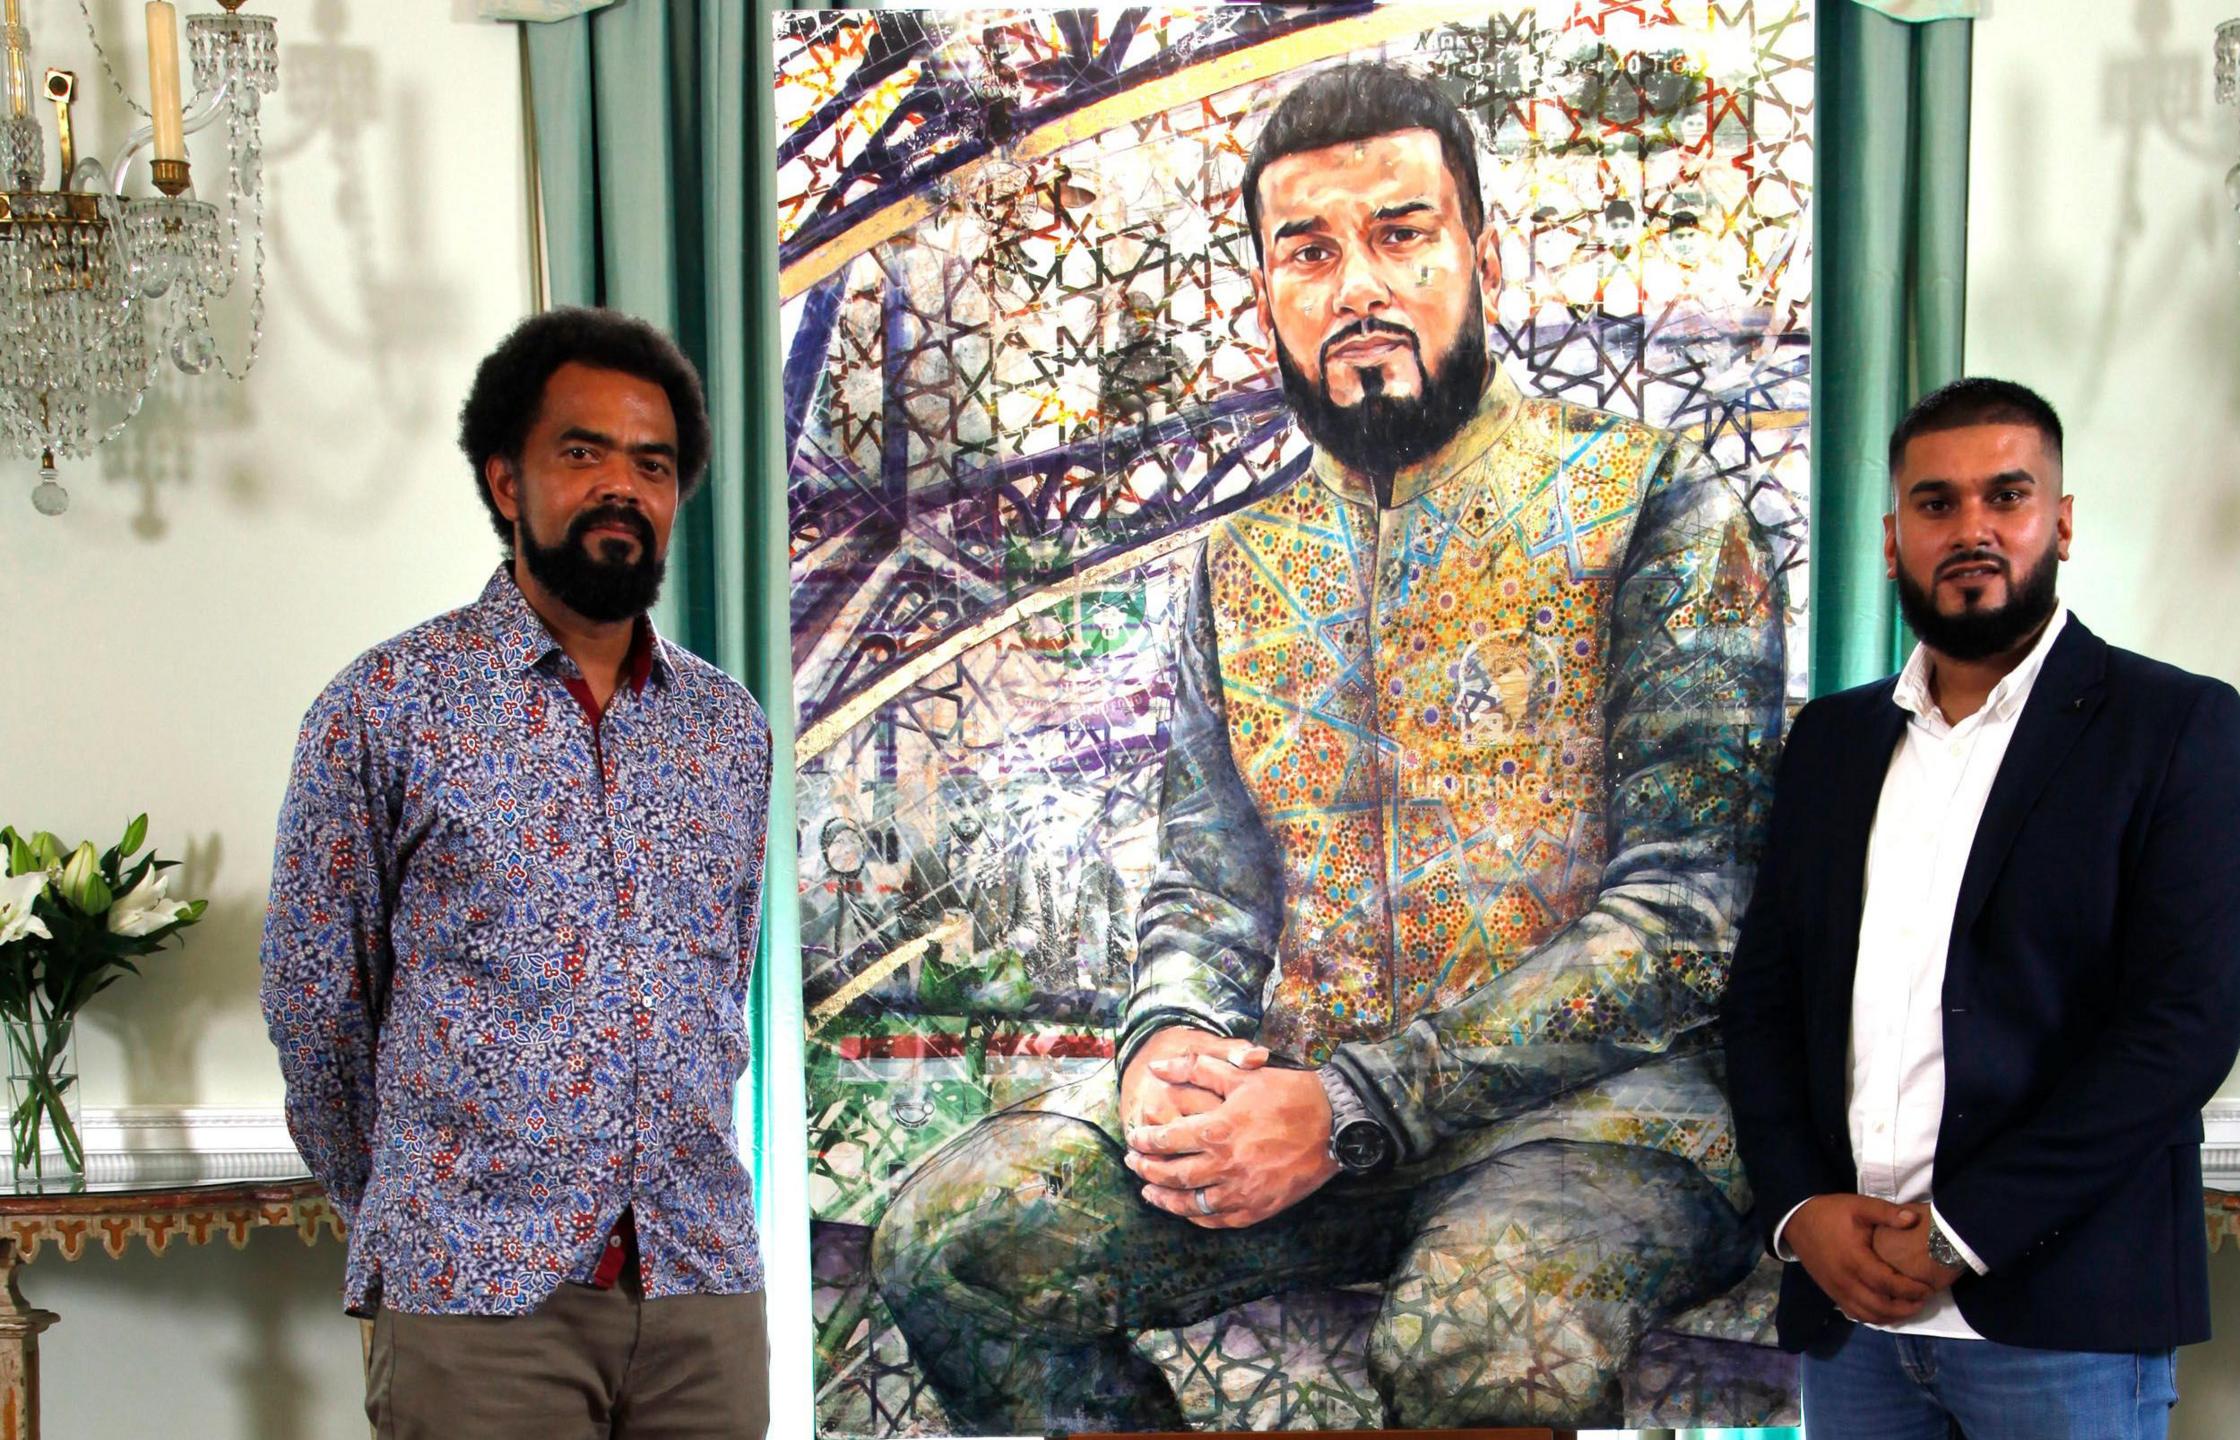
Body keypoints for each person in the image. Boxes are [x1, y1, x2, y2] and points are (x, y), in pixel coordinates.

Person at [869, 61, 1788, 1431]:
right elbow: (1204, 883)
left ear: (1480, 254)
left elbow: (1682, 923)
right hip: (1300, 1123)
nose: (1355, 282)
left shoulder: (1651, 501)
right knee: (956, 1233)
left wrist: (1358, 1097)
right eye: (1310, 249)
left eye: (1400, 234)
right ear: (1267, 296)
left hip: (1601, 1132)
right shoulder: (1240, 567)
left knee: (1476, 1343)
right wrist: (1168, 1041)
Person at [259, 307, 772, 1440]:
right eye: (581, 452)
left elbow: (717, 989)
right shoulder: (385, 708)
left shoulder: (729, 731)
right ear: (506, 482)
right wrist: (414, 1214)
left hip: (700, 1287)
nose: (621, 487)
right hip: (477, 1303)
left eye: (652, 464)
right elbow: (315, 1007)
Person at [1722, 378, 2240, 1439]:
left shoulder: (2172, 726)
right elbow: (1764, 1004)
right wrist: (1798, 1214)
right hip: (1855, 1324)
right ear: (1890, 540)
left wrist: (1958, 1233)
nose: (1970, 529)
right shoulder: (1828, 745)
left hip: (2064, 1323)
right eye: (1935, 504)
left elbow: (2181, 1032)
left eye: (2005, 497)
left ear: (2058, 523)